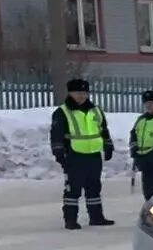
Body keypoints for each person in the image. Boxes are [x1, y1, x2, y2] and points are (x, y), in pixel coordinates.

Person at [49, 77, 115, 230]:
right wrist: (59, 152)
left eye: (84, 92)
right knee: (73, 189)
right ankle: (70, 219)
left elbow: (103, 130)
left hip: (93, 155)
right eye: (77, 92)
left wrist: (108, 145)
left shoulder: (96, 110)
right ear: (70, 93)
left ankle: (96, 217)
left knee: (94, 188)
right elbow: (56, 134)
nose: (81, 96)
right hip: (74, 155)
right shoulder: (62, 112)